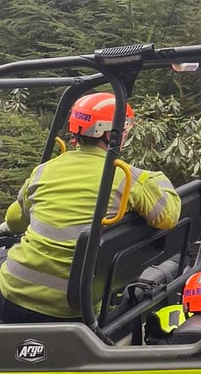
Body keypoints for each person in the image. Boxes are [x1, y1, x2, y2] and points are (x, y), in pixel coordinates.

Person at [0, 92, 181, 322]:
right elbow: (168, 216)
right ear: (110, 132)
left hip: (12, 293)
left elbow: (15, 220)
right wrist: (156, 177)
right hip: (73, 307)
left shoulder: (44, 171)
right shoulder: (126, 178)